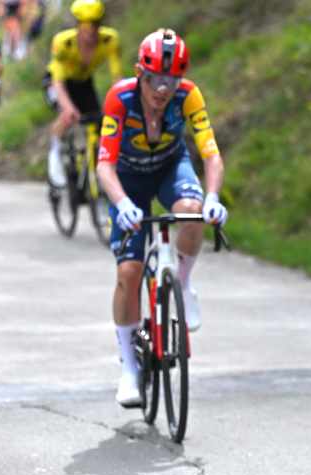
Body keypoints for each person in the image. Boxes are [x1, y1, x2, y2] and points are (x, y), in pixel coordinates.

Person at [96, 28, 227, 407]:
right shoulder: (120, 97)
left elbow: (210, 153)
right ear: (141, 73)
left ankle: (182, 284)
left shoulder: (188, 95)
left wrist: (213, 197)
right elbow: (104, 164)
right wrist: (121, 203)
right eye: (154, 79)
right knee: (129, 273)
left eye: (171, 79)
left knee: (192, 211)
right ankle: (128, 369)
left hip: (171, 167)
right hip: (128, 177)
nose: (162, 89)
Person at [43, 0, 119, 187]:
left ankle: (97, 170)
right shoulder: (63, 43)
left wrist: (119, 105)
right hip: (56, 82)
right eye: (86, 27)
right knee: (67, 115)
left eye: (95, 26)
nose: (90, 33)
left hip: (83, 82)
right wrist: (69, 108)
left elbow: (116, 78)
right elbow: (58, 82)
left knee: (101, 122)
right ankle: (55, 152)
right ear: (77, 26)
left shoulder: (110, 40)